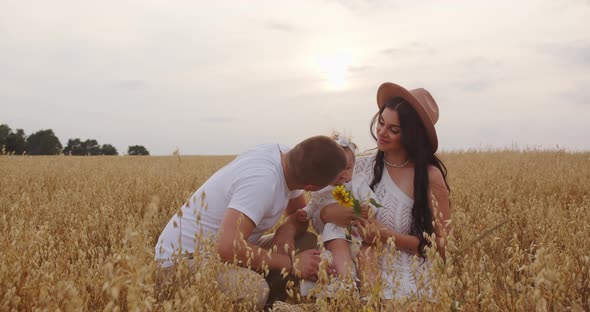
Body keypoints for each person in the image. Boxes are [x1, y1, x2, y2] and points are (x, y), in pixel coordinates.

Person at [154, 135, 348, 310]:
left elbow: (298, 215)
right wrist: (291, 263)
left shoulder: (288, 158)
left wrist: (286, 231)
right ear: (311, 187)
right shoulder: (263, 182)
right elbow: (226, 247)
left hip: (226, 249)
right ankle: (265, 297)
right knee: (255, 291)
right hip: (183, 261)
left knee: (304, 240)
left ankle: (274, 302)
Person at [318, 82, 451, 300]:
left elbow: (442, 248)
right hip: (353, 260)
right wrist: (329, 213)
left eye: (394, 130)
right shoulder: (358, 167)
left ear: (412, 135)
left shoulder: (429, 176)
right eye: (381, 122)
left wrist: (388, 237)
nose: (382, 132)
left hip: (406, 271)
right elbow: (320, 210)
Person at [295, 133, 377, 296]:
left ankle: (370, 293)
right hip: (335, 231)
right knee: (338, 247)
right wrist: (306, 212)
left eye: (347, 168)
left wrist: (368, 208)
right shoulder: (322, 188)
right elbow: (314, 204)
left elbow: (371, 199)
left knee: (368, 255)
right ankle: (347, 281)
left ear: (354, 167)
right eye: (336, 169)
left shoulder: (357, 183)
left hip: (357, 231)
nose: (342, 173)